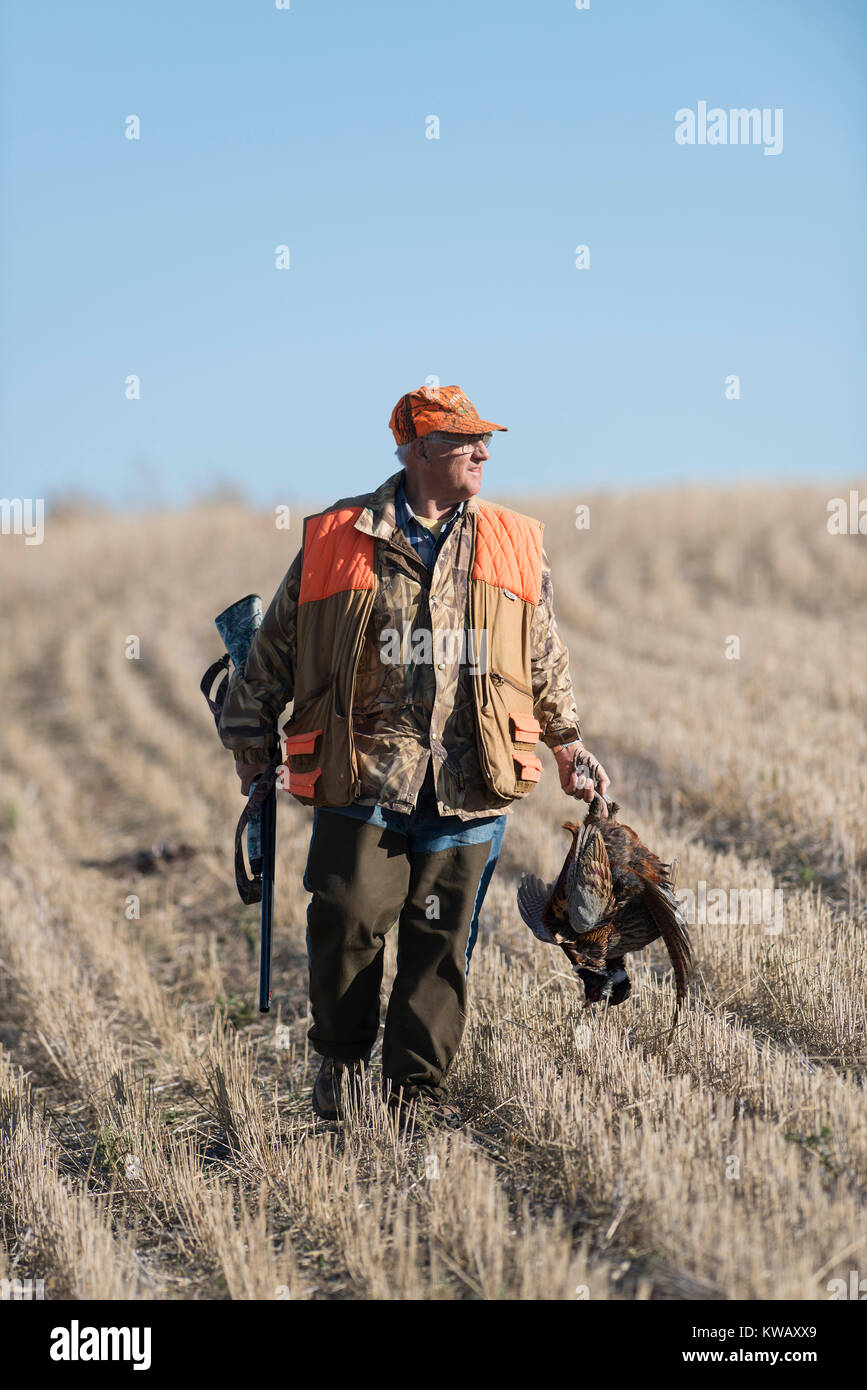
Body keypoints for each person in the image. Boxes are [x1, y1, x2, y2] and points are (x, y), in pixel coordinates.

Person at [217, 384, 609, 1127]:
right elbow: (274, 650)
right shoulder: (336, 536)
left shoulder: (513, 539)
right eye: (467, 443)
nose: (484, 454)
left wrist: (566, 741)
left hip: (471, 776)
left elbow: (541, 651)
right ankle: (339, 1061)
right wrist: (249, 742)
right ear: (422, 450)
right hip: (362, 772)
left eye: (484, 442)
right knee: (345, 921)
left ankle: (411, 1098)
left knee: (440, 945)